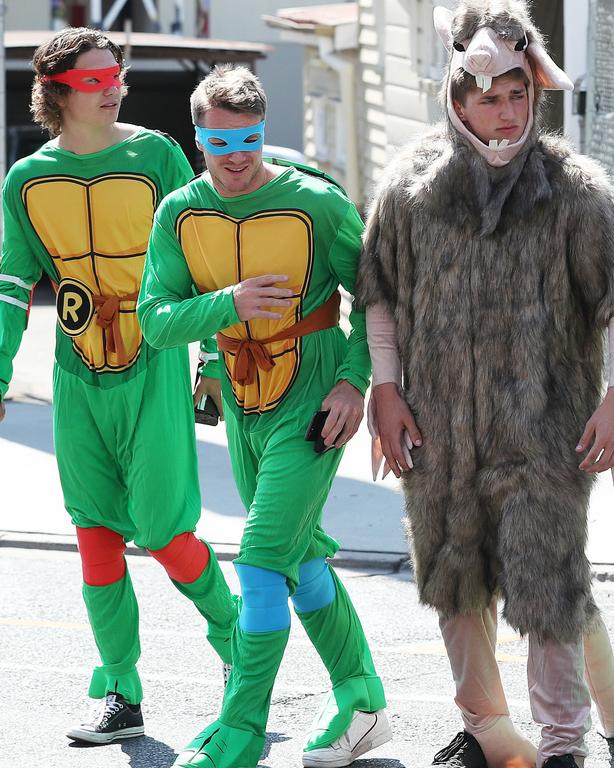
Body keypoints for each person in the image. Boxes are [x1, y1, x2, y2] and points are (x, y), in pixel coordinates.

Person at [357, 2, 614, 766]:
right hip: (438, 432)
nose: (504, 111)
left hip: (545, 433)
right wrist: (383, 390)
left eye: (517, 93)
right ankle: (488, 730)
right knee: (458, 582)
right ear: (456, 99)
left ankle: (563, 743)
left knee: (546, 583)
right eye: (486, 97)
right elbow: (381, 298)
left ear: (534, 92)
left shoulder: (573, 190)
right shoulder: (411, 189)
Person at [137, 65, 389, 768]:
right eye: (221, 141)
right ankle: (363, 701)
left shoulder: (315, 202)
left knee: (258, 559)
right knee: (296, 556)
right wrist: (227, 310)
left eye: (250, 138)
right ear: (199, 139)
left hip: (312, 391)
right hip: (242, 399)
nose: (237, 154)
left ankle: (241, 731)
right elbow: (154, 321)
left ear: (263, 131)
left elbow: (375, 293)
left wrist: (353, 382)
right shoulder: (179, 214)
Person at [0, 27, 237, 745]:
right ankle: (120, 691)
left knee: (165, 532)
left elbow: (201, 257)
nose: (114, 87)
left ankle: (240, 648)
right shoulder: (26, 181)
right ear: (58, 92)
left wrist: (215, 360)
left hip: (155, 360)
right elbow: (13, 285)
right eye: (97, 79)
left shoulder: (157, 155)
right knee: (95, 532)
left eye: (117, 74)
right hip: (76, 372)